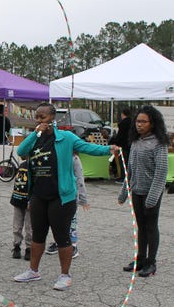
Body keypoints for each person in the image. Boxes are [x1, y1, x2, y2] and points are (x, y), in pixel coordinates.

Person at [13, 103, 120, 290]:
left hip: (61, 196)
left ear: (52, 118)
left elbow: (88, 148)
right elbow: (21, 152)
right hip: (38, 194)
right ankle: (33, 271)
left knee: (62, 236)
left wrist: (108, 149)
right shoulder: (35, 138)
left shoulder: (66, 137)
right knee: (38, 234)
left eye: (43, 117)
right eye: (37, 117)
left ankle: (65, 275)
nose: (39, 121)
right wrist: (35, 133)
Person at [118, 105, 168, 277]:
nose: (140, 125)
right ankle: (140, 259)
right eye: (138, 121)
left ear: (152, 123)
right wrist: (124, 192)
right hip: (137, 192)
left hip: (151, 193)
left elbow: (161, 172)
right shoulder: (135, 142)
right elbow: (129, 170)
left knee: (151, 226)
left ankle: (151, 263)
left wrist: (152, 197)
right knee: (141, 227)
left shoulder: (158, 144)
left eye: (144, 122)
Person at [45, 153, 89, 259]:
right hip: (55, 194)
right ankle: (59, 242)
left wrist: (83, 198)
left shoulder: (74, 159)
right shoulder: (56, 155)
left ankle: (73, 245)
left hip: (70, 195)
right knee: (56, 220)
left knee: (71, 221)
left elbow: (80, 178)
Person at [10, 160, 32, 260]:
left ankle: (18, 247)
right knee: (29, 226)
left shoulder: (22, 165)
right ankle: (27, 248)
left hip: (18, 198)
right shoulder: (35, 165)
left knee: (18, 224)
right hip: (27, 200)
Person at [112, 107, 133, 184]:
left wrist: (115, 142)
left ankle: (123, 178)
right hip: (130, 145)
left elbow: (120, 135)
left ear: (123, 114)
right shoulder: (132, 122)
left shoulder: (123, 123)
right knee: (128, 162)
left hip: (123, 145)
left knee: (123, 162)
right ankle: (128, 177)